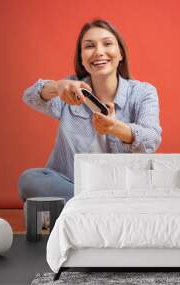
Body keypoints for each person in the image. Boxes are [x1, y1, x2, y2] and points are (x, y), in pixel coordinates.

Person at [18, 19, 162, 204]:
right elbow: (30, 96)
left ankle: (94, 210)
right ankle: (103, 209)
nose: (99, 52)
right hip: (71, 186)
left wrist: (114, 127)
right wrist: (57, 86)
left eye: (107, 43)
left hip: (120, 188)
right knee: (30, 180)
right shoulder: (71, 90)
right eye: (89, 46)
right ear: (82, 59)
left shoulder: (142, 92)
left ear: (120, 54)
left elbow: (151, 138)